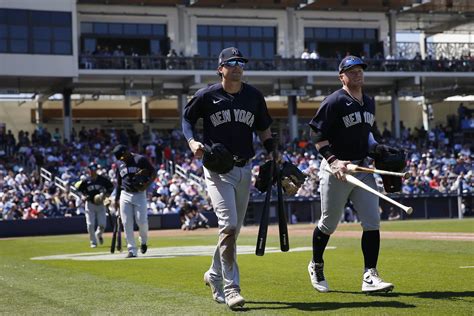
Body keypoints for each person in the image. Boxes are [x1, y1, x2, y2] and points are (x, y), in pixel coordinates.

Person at [182, 47, 275, 309]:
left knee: (232, 230)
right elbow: (186, 119)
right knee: (230, 225)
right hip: (217, 169)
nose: (237, 66)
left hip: (245, 168)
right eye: (231, 62)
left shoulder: (254, 96)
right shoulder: (207, 95)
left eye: (240, 63)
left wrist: (273, 154)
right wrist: (192, 142)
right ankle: (231, 288)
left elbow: (264, 128)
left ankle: (213, 274)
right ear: (220, 68)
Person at [308, 55, 402, 293]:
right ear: (342, 76)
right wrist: (333, 160)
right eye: (351, 71)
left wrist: (376, 148)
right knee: (328, 223)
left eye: (360, 69)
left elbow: (367, 133)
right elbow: (316, 136)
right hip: (336, 170)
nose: (357, 73)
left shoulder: (369, 102)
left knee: (372, 222)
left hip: (362, 169)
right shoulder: (334, 101)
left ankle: (369, 275)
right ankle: (316, 265)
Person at [112, 144, 156, 258]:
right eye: (120, 159)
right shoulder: (119, 163)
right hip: (125, 194)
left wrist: (146, 185)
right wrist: (116, 199)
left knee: (141, 222)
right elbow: (119, 182)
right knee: (126, 223)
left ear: (126, 151)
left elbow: (153, 172)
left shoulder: (140, 159)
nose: (122, 159)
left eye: (123, 157)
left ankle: (143, 241)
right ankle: (132, 249)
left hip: (139, 194)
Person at [75, 163, 114, 248]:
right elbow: (78, 190)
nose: (92, 172)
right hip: (90, 204)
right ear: (88, 171)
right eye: (90, 170)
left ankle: (98, 234)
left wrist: (106, 196)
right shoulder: (86, 181)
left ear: (96, 170)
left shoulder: (103, 180)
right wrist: (83, 196)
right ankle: (93, 242)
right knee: (90, 224)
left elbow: (111, 188)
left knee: (102, 225)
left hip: (101, 204)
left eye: (93, 170)